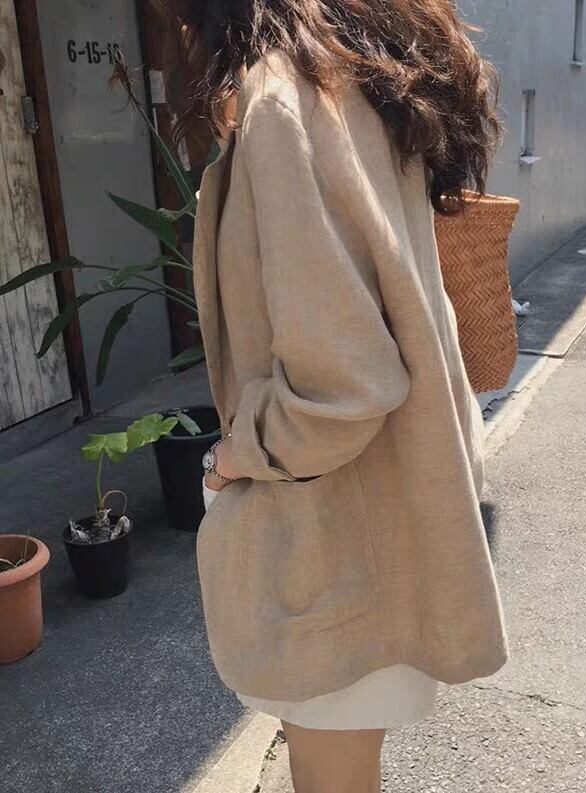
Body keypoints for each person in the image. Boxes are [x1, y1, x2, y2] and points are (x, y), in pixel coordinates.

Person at [163, 2, 508, 792]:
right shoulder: (352, 79)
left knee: (330, 775)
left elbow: (343, 386)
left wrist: (231, 458)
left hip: (333, 538)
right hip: (381, 512)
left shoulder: (285, 100)